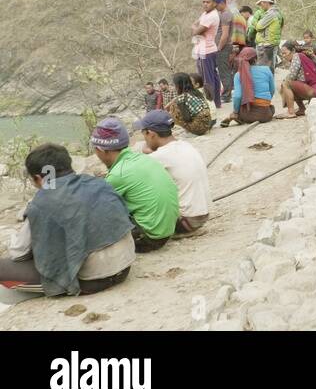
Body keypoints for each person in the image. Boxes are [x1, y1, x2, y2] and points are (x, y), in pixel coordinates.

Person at [0, 144, 135, 299]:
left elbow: (19, 253)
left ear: (38, 178)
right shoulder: (99, 183)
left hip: (92, 281)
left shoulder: (42, 203)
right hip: (124, 269)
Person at [91, 118, 179, 253]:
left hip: (149, 238)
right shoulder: (143, 159)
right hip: (168, 231)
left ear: (101, 150)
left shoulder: (118, 174)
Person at [134, 111, 210, 234]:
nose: (145, 140)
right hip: (200, 216)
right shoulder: (185, 146)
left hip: (186, 221)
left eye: (144, 135)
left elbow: (134, 173)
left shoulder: (159, 156)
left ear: (151, 134)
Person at [221, 47, 276, 126]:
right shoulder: (266, 70)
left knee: (240, 108)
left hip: (248, 115)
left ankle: (235, 116)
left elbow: (237, 96)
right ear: (256, 59)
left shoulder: (238, 75)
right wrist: (264, 102)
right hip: (266, 114)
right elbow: (272, 90)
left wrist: (236, 112)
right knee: (272, 108)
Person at [276, 41, 316, 119]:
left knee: (286, 84)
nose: (283, 56)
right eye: (282, 54)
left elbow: (292, 76)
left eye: (285, 53)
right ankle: (302, 109)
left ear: (293, 51)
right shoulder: (301, 56)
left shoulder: (297, 56)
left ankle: (290, 112)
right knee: (289, 85)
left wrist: (283, 87)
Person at [192, 0, 223, 108]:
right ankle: (216, 102)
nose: (205, 4)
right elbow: (196, 26)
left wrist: (195, 28)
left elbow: (195, 30)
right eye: (203, 2)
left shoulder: (211, 16)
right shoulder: (205, 14)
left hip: (207, 51)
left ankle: (211, 102)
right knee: (213, 76)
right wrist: (196, 28)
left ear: (214, 3)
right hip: (204, 49)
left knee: (207, 78)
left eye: (208, 2)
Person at [214, 0, 236, 104]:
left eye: (216, 4)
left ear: (222, 3)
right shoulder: (222, 14)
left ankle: (226, 95)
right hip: (222, 47)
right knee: (223, 71)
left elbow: (225, 34)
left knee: (224, 71)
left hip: (224, 47)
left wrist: (219, 47)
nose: (215, 7)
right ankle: (225, 93)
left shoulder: (226, 14)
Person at [254, 0, 284, 73]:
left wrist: (256, 22)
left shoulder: (270, 14)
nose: (261, 6)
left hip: (266, 45)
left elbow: (258, 26)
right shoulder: (278, 13)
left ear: (266, 3)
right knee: (270, 69)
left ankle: (265, 85)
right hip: (272, 43)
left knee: (263, 70)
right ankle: (269, 85)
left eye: (261, 4)